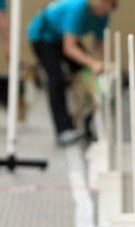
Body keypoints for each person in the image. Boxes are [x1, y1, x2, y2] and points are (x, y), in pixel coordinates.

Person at [28, 0, 116, 146]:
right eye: (104, 3)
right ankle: (63, 130)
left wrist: (100, 66)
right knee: (56, 78)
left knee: (87, 73)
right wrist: (93, 63)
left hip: (64, 38)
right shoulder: (78, 8)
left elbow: (99, 44)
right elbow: (69, 48)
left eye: (110, 5)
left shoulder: (103, 15)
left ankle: (87, 123)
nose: (107, 8)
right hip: (43, 37)